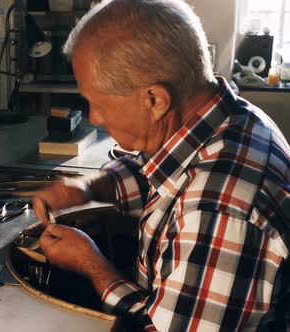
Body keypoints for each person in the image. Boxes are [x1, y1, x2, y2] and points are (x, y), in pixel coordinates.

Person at [32, 0, 290, 330]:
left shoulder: (218, 209)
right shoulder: (229, 118)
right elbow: (166, 166)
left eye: (97, 103)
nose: (94, 117)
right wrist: (91, 188)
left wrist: (91, 264)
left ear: (155, 100)